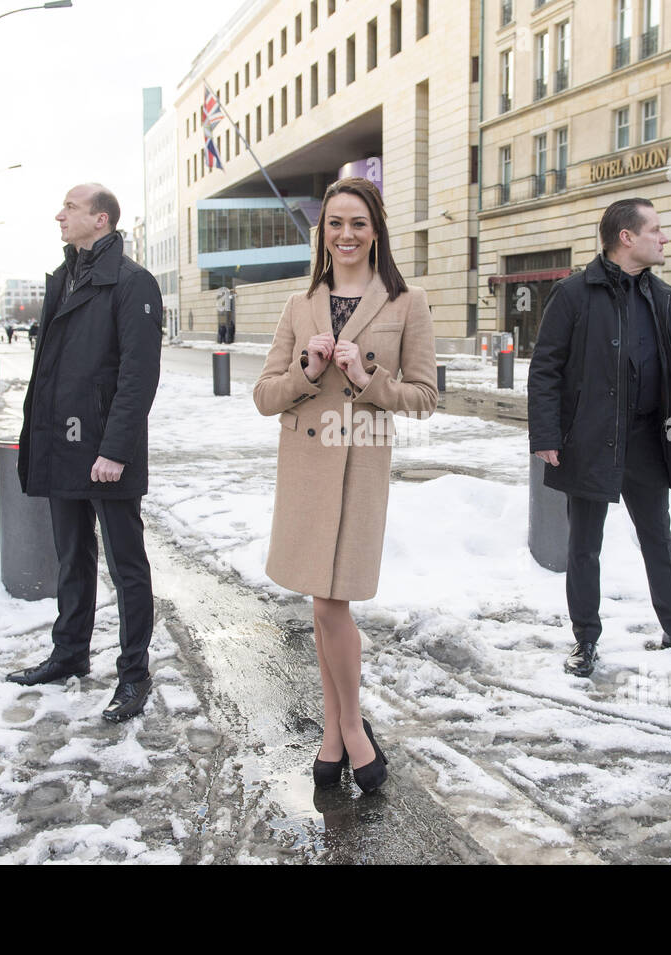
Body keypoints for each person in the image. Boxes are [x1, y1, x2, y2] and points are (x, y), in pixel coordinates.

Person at [252, 177, 437, 794]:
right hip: (307, 467)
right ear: (322, 233)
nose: (347, 235)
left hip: (360, 463)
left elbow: (425, 397)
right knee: (323, 601)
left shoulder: (406, 303)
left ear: (376, 229)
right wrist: (306, 372)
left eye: (358, 223)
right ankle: (342, 732)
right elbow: (264, 396)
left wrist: (368, 373)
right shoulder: (299, 304)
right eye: (335, 223)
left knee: (335, 601)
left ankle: (346, 728)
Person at [528, 197, 671, 678]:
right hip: (590, 440)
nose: (665, 237)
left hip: (650, 439)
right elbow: (545, 369)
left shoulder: (662, 297)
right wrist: (547, 435)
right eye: (656, 229)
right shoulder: (573, 294)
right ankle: (585, 639)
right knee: (584, 546)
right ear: (626, 238)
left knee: (659, 537)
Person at [8, 183, 163, 724]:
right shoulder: (65, 276)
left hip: (105, 451)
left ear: (101, 219)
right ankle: (70, 653)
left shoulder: (132, 282)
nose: (59, 215)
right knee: (71, 557)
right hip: (63, 443)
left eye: (69, 208)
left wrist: (115, 450)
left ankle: (134, 675)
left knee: (127, 568)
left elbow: (138, 376)